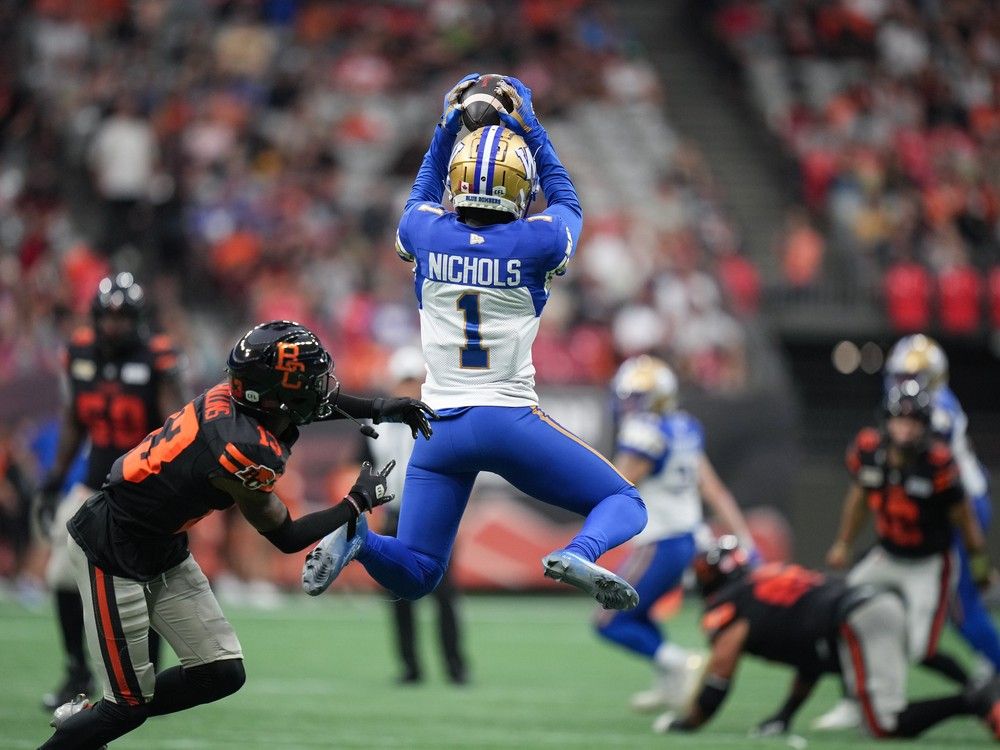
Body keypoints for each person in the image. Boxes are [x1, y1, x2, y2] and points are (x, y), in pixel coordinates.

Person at [302, 74, 647, 610]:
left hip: (438, 427)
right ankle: (580, 552)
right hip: (506, 418)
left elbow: (420, 193)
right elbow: (567, 201)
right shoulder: (539, 240)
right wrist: (530, 125)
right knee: (624, 501)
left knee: (417, 572)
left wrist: (446, 126)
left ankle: (361, 540)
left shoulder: (425, 230)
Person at [39, 320, 435, 750]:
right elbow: (284, 535)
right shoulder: (241, 447)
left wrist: (382, 407)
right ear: (274, 394)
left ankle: (97, 716)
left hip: (164, 544)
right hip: (112, 547)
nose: (321, 388)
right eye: (307, 380)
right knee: (125, 708)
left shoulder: (240, 401)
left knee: (221, 671)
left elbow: (302, 403)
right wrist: (354, 503)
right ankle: (92, 720)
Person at [658, 536, 1000, 741]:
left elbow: (719, 676)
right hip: (868, 611)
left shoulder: (732, 603)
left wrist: (687, 724)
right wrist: (786, 713)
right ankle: (978, 687)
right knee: (912, 652)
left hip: (856, 619)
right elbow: (810, 655)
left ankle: (974, 699)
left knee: (883, 724)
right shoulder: (766, 580)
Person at [34, 273, 186, 711]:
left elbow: (173, 423)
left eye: (124, 316)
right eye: (109, 315)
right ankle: (76, 671)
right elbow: (73, 419)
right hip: (94, 481)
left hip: (143, 483)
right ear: (97, 317)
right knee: (61, 575)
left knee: (146, 576)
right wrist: (54, 476)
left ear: (137, 319)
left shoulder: (157, 356)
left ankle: (149, 677)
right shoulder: (79, 351)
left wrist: (172, 483)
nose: (115, 325)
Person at [814, 381, 991, 730]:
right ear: (886, 421)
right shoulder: (868, 449)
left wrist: (980, 565)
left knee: (918, 647)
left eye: (913, 422)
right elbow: (859, 499)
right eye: (899, 420)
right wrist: (843, 543)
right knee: (840, 613)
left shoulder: (938, 464)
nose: (905, 428)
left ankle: (977, 690)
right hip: (887, 554)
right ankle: (853, 699)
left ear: (925, 427)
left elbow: (966, 520)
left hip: (928, 564)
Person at [594, 355, 756, 712]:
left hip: (661, 541)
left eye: (636, 397)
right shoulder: (684, 427)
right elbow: (714, 489)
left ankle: (679, 663)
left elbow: (615, 485)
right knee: (639, 612)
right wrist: (744, 537)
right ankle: (670, 682)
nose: (628, 406)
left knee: (608, 619)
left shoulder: (644, 433)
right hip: (687, 540)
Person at [885, 335, 1000, 674]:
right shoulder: (922, 407)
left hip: (960, 508)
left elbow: (933, 470)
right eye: (899, 377)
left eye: (911, 378)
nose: (902, 385)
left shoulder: (937, 413)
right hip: (953, 505)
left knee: (962, 610)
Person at [366, 346, 468, 685]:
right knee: (398, 596)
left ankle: (455, 667)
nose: (409, 388)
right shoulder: (376, 421)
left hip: (434, 516)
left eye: (415, 381)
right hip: (394, 514)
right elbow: (362, 463)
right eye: (404, 381)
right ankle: (410, 667)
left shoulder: (440, 414)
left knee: (445, 595)